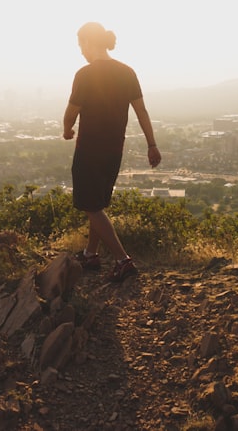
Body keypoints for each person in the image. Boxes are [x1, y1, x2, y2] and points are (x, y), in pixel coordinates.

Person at [63, 22, 162, 283]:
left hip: (89, 149)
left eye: (80, 45)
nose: (81, 51)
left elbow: (71, 111)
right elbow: (142, 112)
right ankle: (91, 253)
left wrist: (66, 129)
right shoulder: (126, 72)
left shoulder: (85, 74)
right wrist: (152, 144)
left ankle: (122, 260)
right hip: (114, 149)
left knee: (90, 205)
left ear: (87, 42)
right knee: (98, 202)